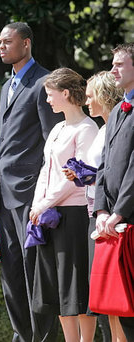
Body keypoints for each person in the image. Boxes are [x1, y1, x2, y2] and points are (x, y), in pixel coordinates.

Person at [0, 22, 63, 342]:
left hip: (31, 193)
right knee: (11, 273)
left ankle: (42, 337)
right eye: (0, 42)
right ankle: (21, 335)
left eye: (8, 41)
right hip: (4, 195)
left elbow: (53, 143)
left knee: (36, 271)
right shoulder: (7, 87)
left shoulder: (45, 82)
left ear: (27, 44)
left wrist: (43, 195)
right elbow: (2, 143)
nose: (1, 46)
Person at [28, 67, 98, 342]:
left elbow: (76, 178)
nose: (47, 100)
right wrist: (37, 205)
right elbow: (47, 169)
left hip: (73, 214)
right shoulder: (57, 127)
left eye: (50, 94)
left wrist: (43, 203)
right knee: (56, 287)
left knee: (75, 286)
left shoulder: (87, 128)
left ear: (65, 93)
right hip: (49, 214)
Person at [63, 71, 125, 342]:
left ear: (103, 96)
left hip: (113, 216)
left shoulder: (118, 126)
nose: (86, 101)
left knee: (118, 293)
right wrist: (82, 175)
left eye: (90, 96)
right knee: (106, 295)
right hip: (95, 213)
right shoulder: (101, 129)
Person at [94, 42, 134, 341]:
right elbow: (104, 165)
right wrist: (102, 210)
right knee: (124, 309)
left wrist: (119, 210)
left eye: (119, 63)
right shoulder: (119, 111)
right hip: (113, 220)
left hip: (130, 217)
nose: (112, 69)